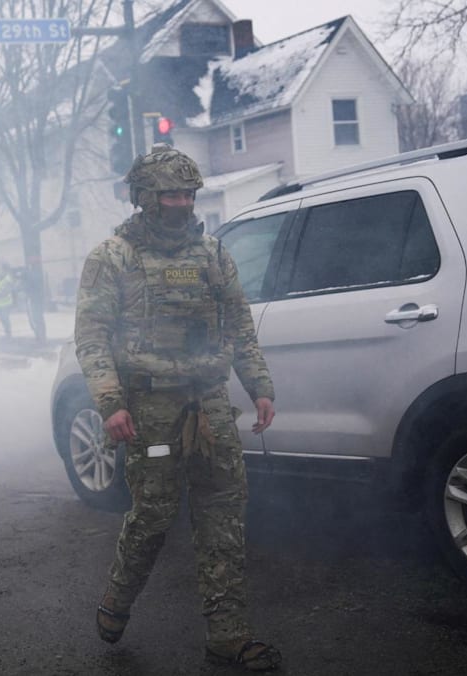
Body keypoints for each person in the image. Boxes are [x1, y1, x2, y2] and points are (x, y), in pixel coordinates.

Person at [74, 144, 280, 671]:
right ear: (145, 197)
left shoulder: (212, 254)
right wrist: (111, 403)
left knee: (223, 516)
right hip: (151, 409)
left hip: (209, 403)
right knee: (155, 515)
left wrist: (259, 385)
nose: (182, 203)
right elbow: (93, 339)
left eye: (189, 193)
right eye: (170, 193)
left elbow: (239, 322)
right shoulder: (112, 257)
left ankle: (228, 635)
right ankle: (117, 600)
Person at [0, 264, 16, 337]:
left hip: (6, 302)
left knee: (5, 317)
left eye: (0, 270)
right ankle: (7, 331)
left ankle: (8, 332)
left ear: (4, 271)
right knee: (2, 318)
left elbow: (7, 290)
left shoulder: (8, 279)